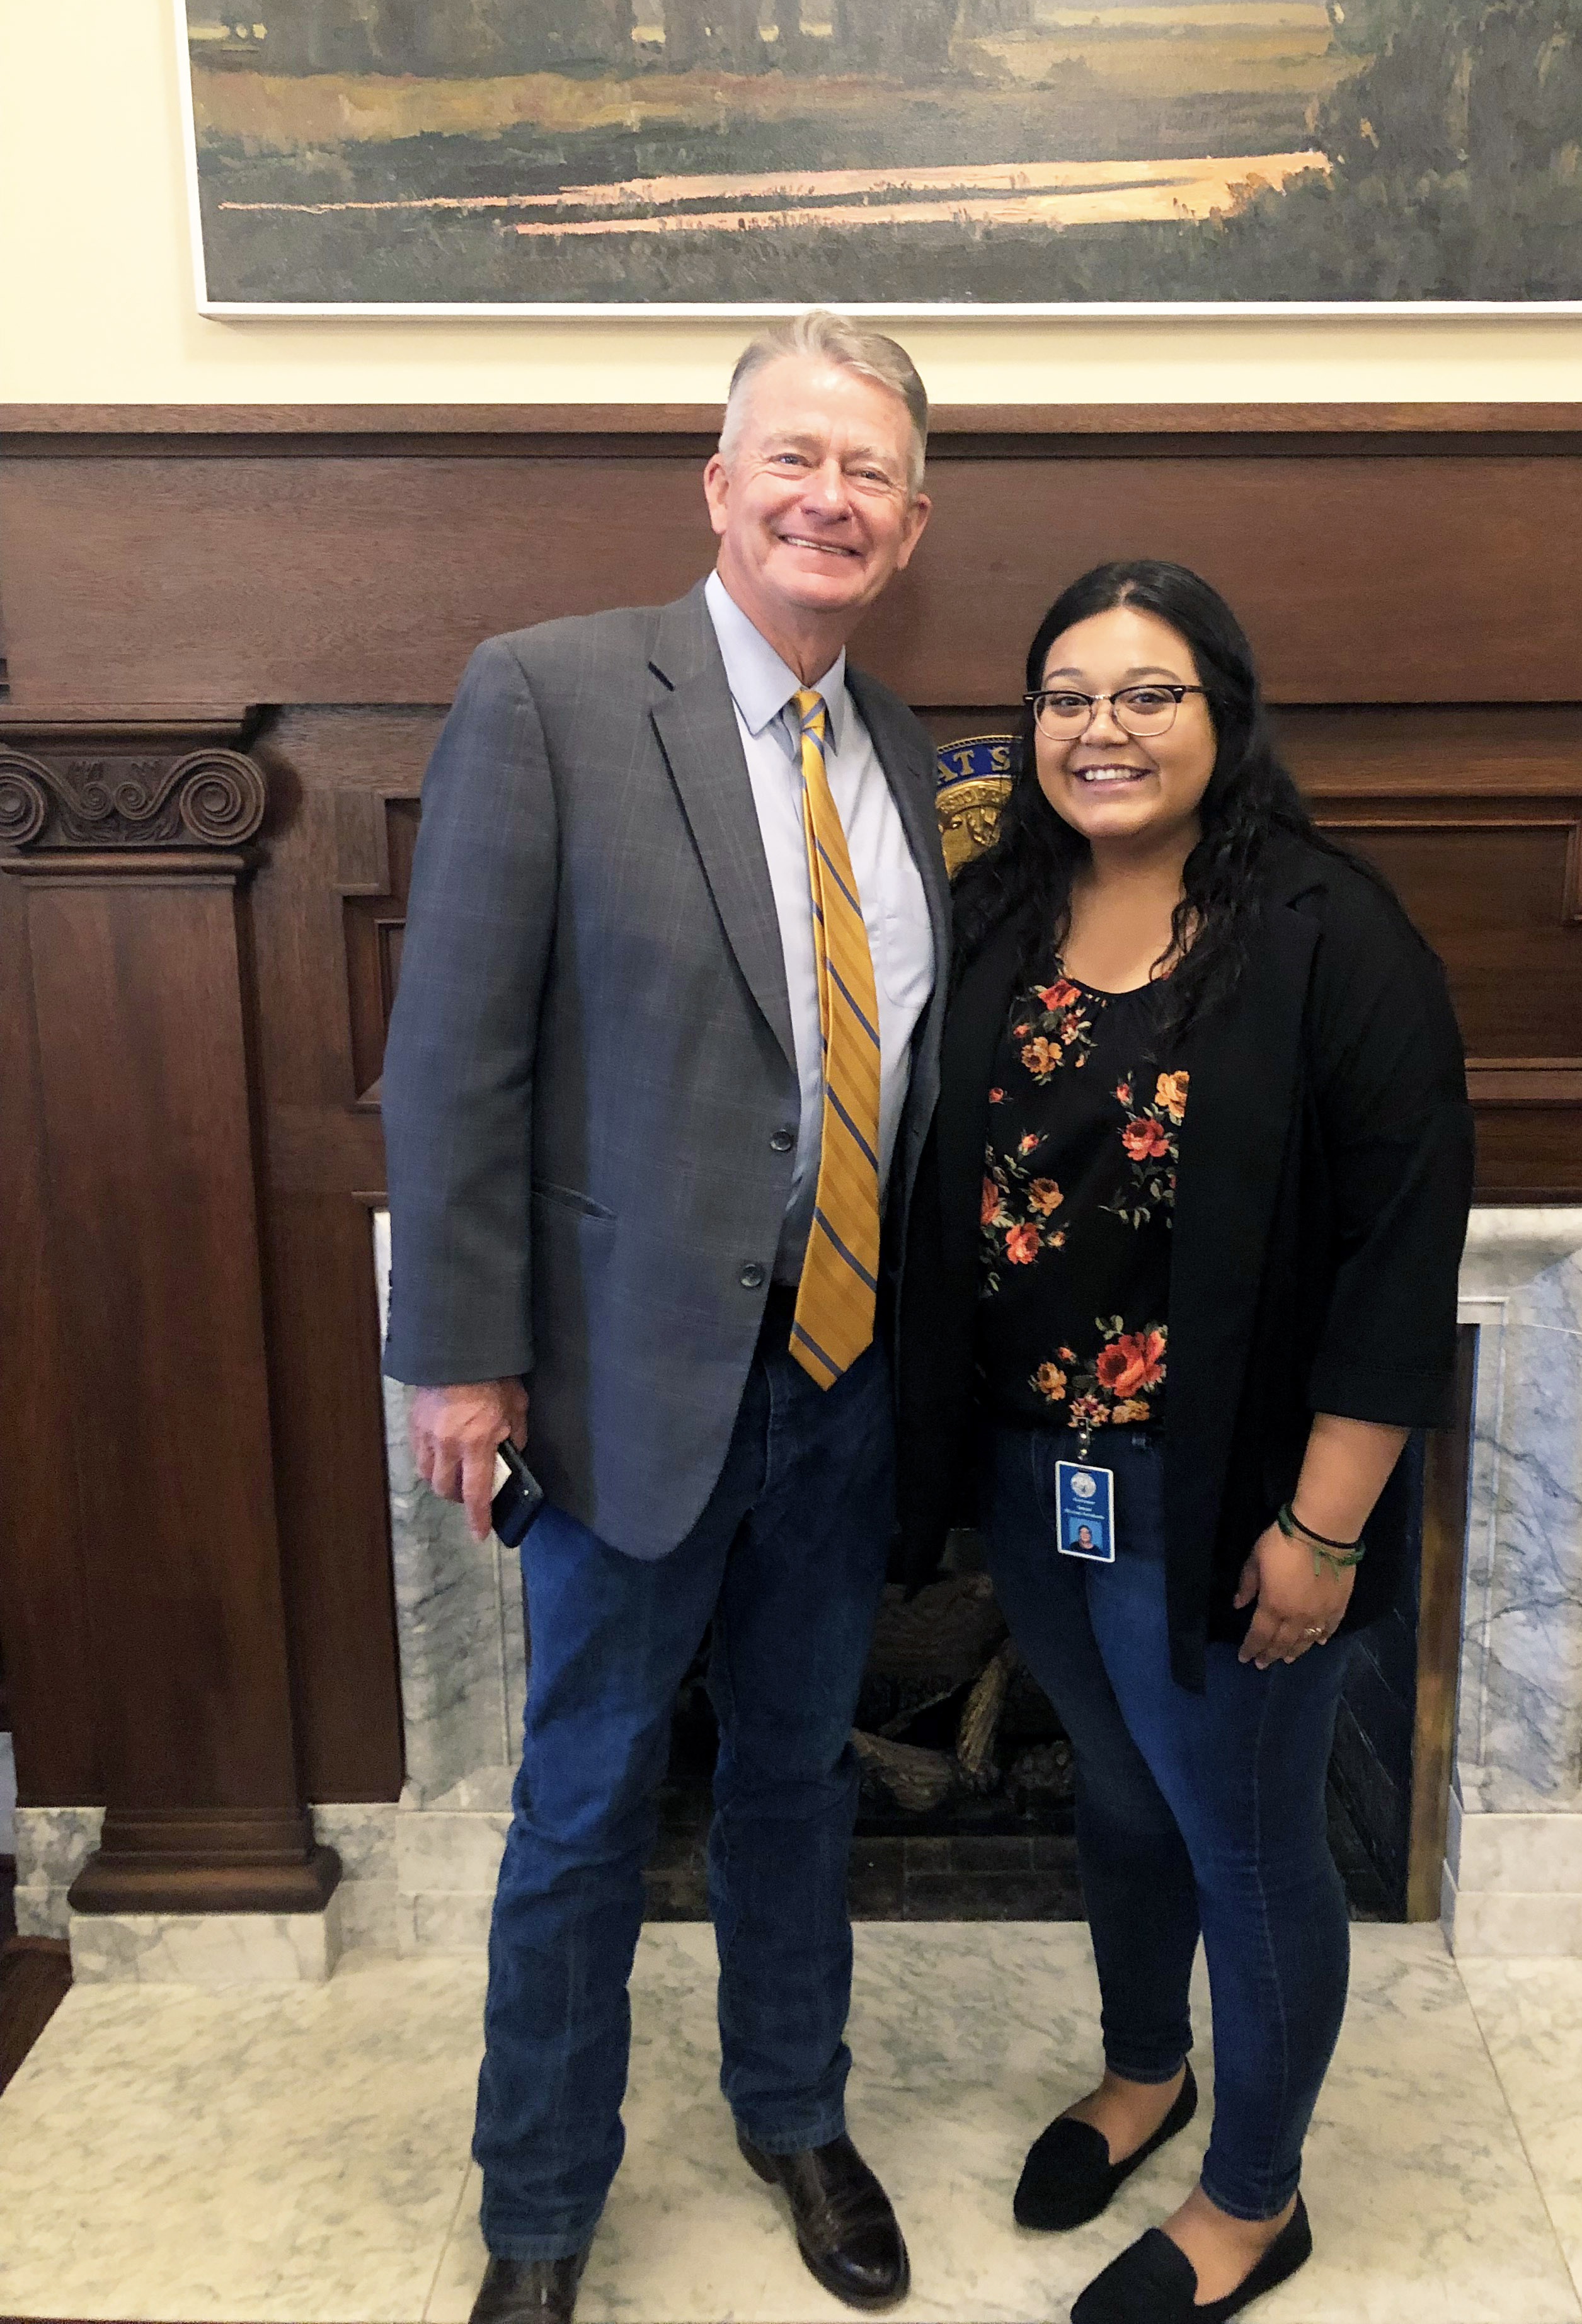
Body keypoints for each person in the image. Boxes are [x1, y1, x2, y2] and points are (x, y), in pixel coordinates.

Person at [381, 313, 951, 2324]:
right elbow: (452, 1055)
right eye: (791, 456)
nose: (828, 495)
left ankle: (796, 2110)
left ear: (910, 519)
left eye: (868, 470)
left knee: (799, 1777)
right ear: (718, 489)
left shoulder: (907, 752)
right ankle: (537, 2211)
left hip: (843, 1380)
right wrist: (457, 1354)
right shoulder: (548, 695)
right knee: (587, 1804)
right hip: (623, 1385)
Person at [897, 560, 1473, 2324]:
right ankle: (1149, 2074)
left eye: (1150, 693)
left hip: (1232, 1489)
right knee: (1127, 1802)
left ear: (1225, 713)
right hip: (1038, 1471)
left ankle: (1254, 2204)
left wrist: (1324, 1526)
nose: (1103, 728)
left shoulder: (1329, 932)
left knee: (1246, 1840)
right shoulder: (996, 914)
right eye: (1069, 694)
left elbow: (1401, 1247)